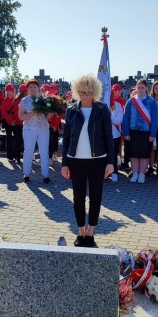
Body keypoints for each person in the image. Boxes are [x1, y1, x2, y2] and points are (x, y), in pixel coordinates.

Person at [61, 73, 114, 247]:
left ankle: (90, 232)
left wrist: (111, 162)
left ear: (94, 92)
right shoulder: (71, 110)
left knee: (95, 197)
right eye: (82, 92)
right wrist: (64, 164)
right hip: (75, 160)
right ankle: (80, 232)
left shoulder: (102, 110)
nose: (85, 95)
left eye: (89, 92)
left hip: (98, 160)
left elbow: (109, 137)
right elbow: (66, 138)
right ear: (77, 92)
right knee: (78, 198)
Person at [123, 79, 158, 184]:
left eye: (143, 87)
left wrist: (152, 134)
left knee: (144, 154)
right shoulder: (131, 101)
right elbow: (126, 117)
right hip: (133, 131)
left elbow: (154, 119)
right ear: (136, 88)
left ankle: (142, 174)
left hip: (146, 132)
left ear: (146, 88)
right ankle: (135, 173)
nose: (141, 89)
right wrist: (126, 132)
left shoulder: (152, 102)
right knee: (134, 154)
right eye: (139, 87)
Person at [18, 79, 52, 184]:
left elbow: (48, 117)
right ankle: (26, 174)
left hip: (43, 129)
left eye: (34, 87)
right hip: (29, 129)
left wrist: (52, 111)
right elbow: (21, 116)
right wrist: (33, 113)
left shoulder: (44, 100)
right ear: (27, 89)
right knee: (28, 150)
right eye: (30, 87)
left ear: (38, 88)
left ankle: (46, 175)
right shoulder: (24, 100)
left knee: (44, 152)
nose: (33, 89)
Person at [1, 83, 19, 162]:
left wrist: (16, 120)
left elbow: (18, 111)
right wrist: (11, 121)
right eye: (10, 90)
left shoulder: (16, 100)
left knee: (17, 138)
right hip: (8, 123)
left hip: (16, 122)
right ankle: (10, 156)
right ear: (7, 91)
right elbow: (3, 113)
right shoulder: (4, 101)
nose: (12, 92)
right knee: (9, 139)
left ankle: (16, 154)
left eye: (13, 90)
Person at [109, 93, 124, 182]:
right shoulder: (99, 104)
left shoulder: (117, 105)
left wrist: (110, 119)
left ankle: (114, 172)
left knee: (113, 154)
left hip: (115, 134)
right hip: (102, 135)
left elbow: (120, 119)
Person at [48, 82, 61, 163]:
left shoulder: (59, 100)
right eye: (52, 88)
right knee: (48, 141)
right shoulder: (48, 98)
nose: (53, 90)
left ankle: (53, 155)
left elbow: (59, 114)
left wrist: (55, 125)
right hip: (48, 123)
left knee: (54, 140)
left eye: (55, 89)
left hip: (55, 124)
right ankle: (49, 157)